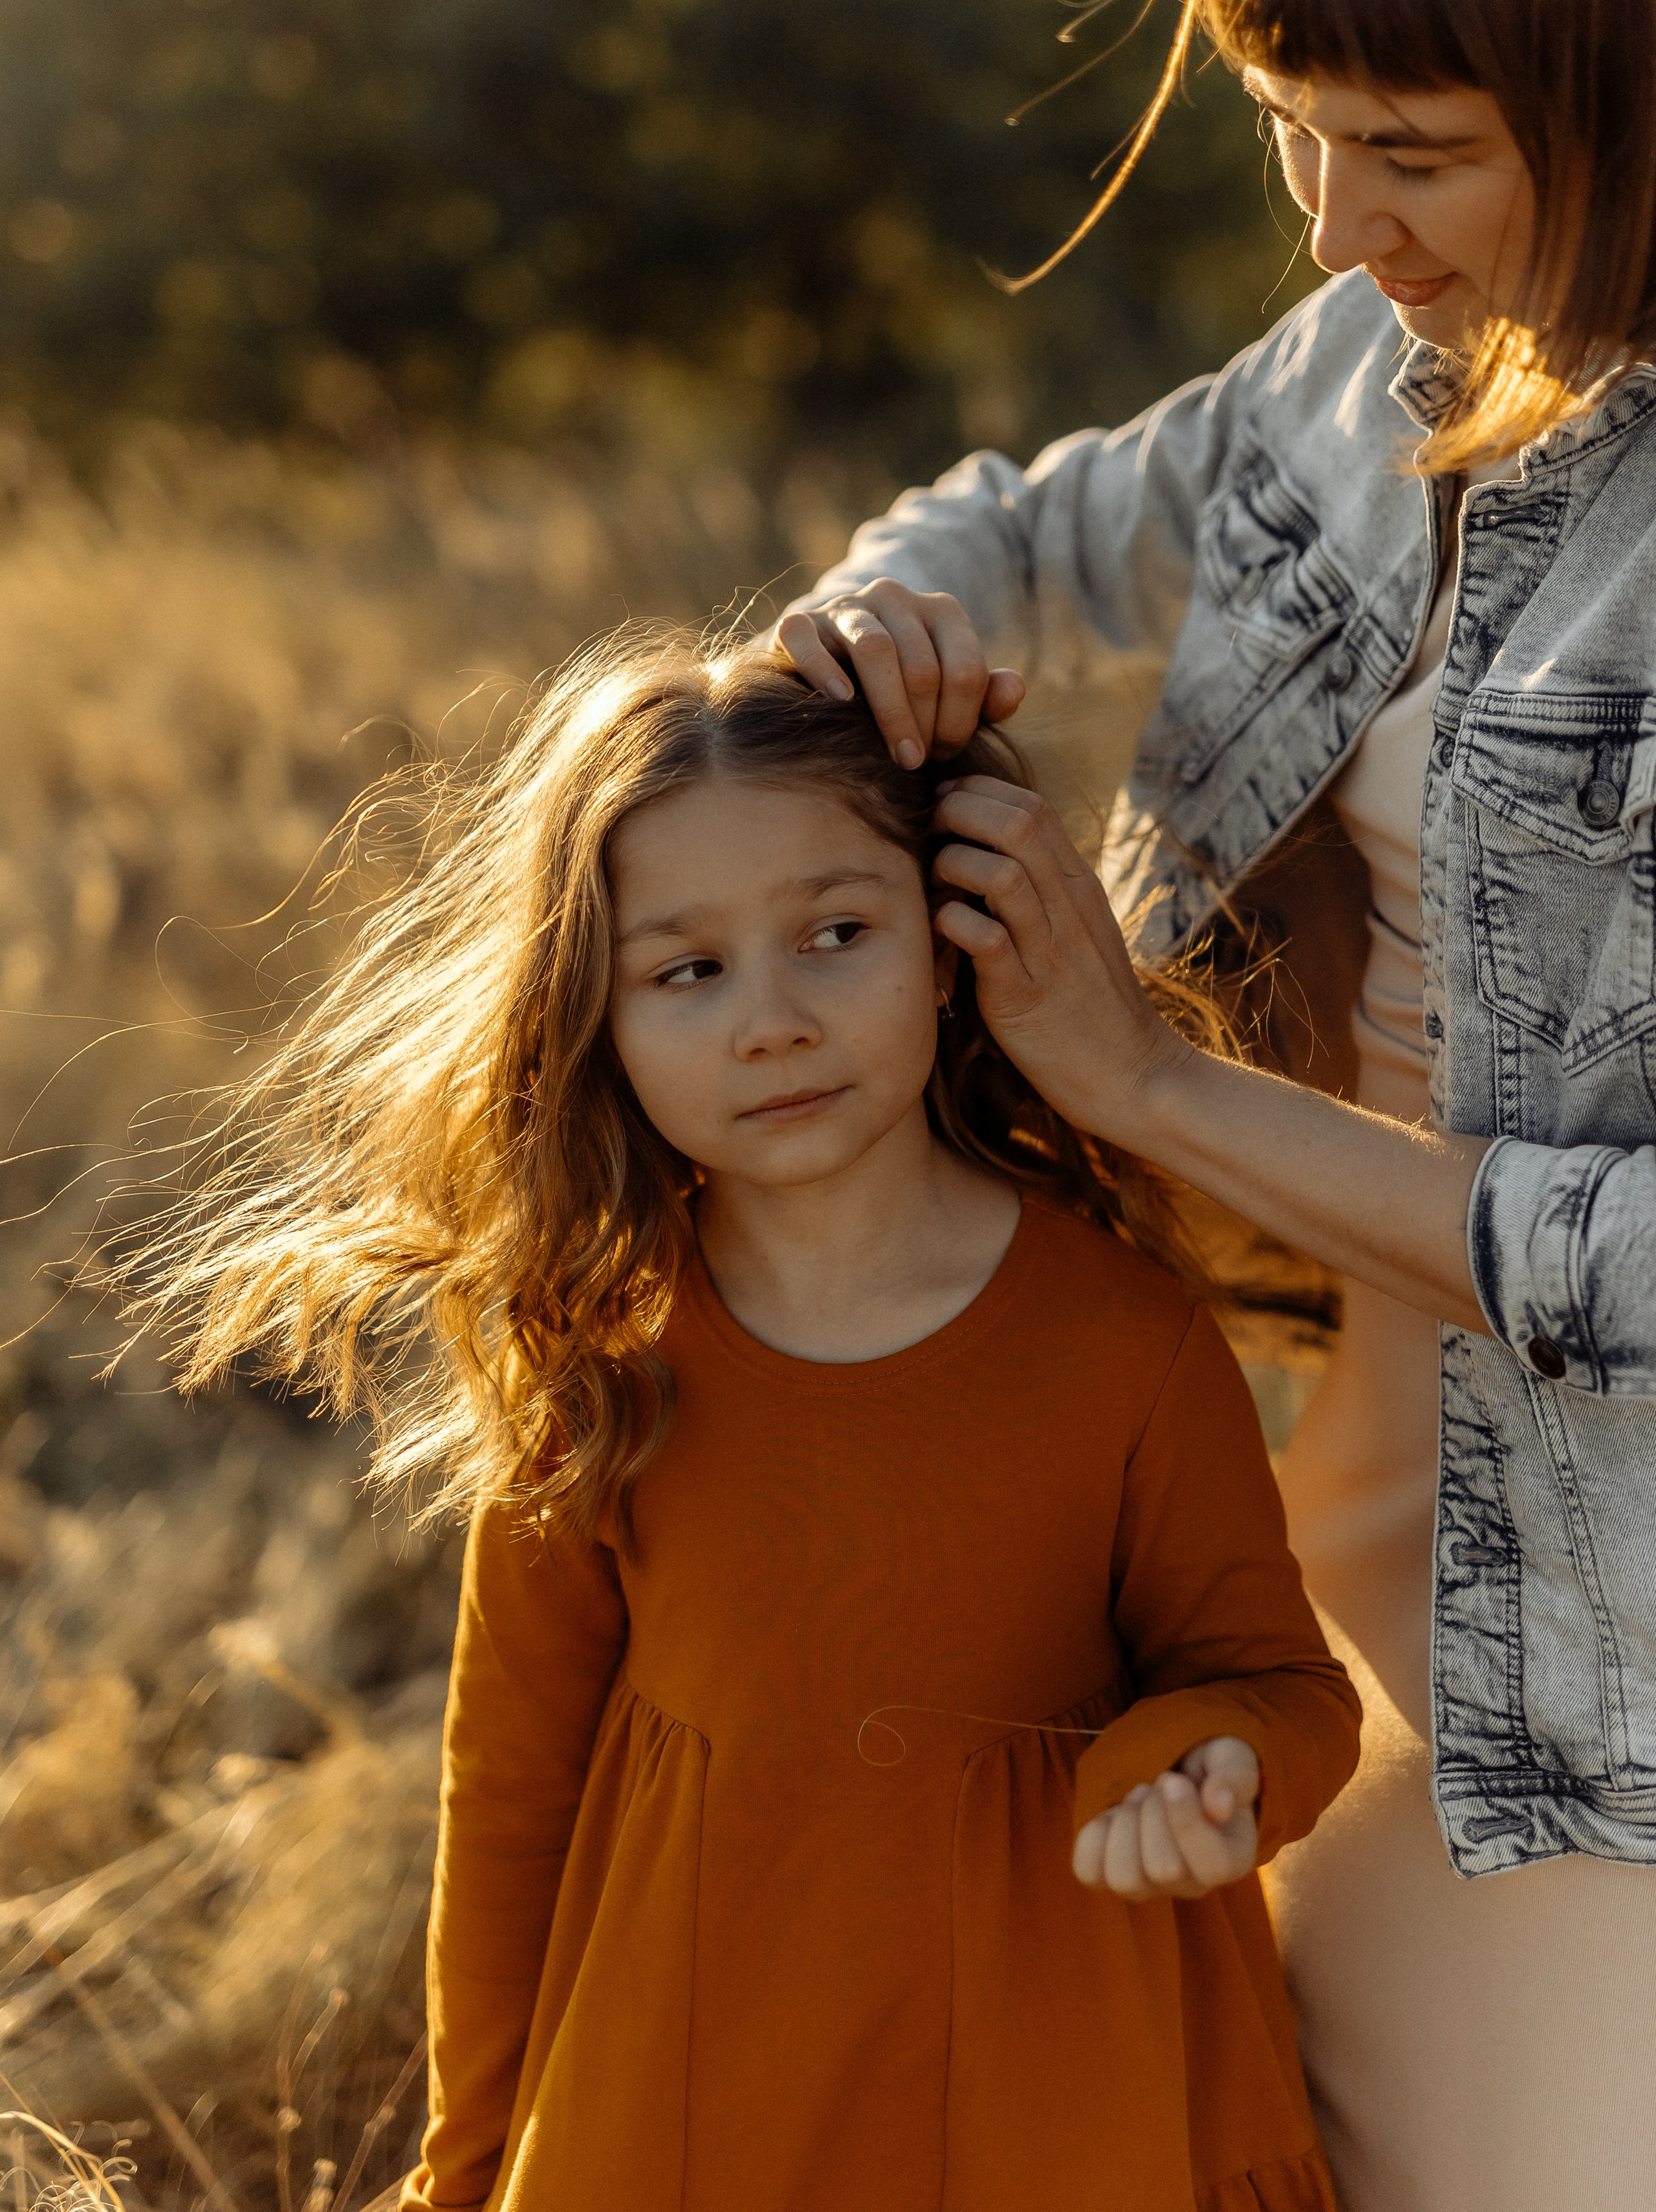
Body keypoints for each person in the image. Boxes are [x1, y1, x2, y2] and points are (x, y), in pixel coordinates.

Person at [776, 0, 1656, 2205]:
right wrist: (871, 641)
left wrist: (1143, 1085)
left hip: (1621, 1618)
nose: (1334, 216)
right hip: (1329, 1461)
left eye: (1417, 143)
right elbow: (1030, 528)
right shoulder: (1373, 356)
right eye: (1290, 116)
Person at [129, 629, 1357, 2209]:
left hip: (1066, 2108)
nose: (768, 1020)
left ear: (946, 933)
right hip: (697, 2110)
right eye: (687, 971)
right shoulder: (599, 1369)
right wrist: (470, 2164)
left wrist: (1205, 1772)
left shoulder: (1121, 1337)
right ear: (596, 1014)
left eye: (833, 932)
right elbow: (509, 1800)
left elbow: (1272, 1682)